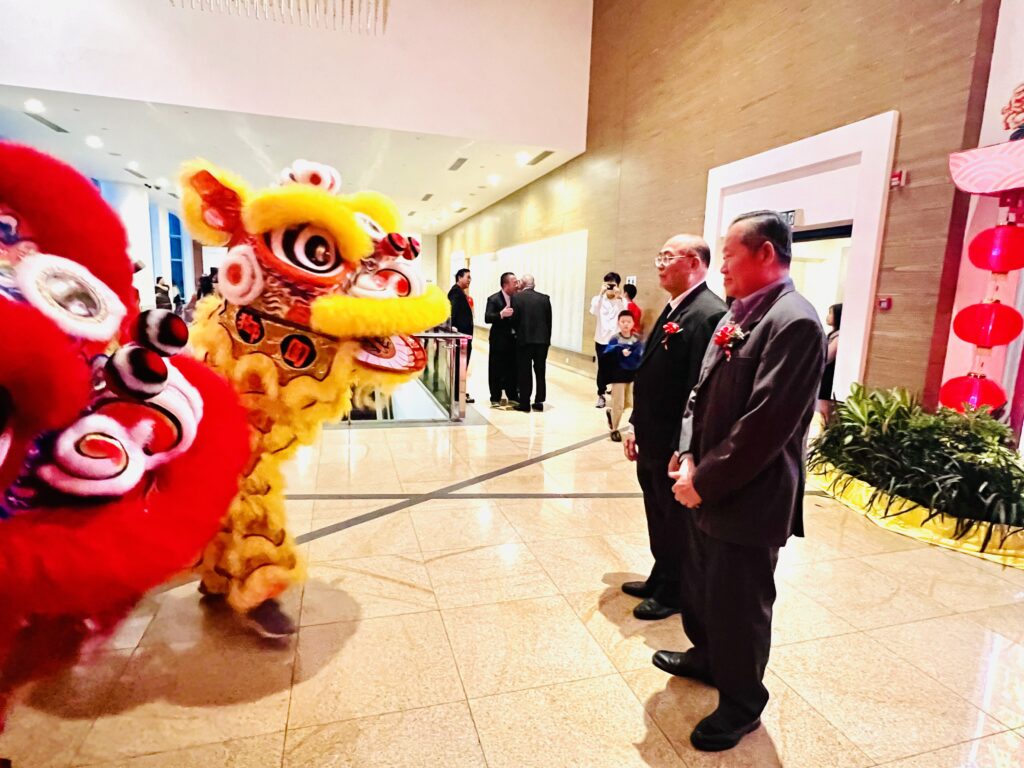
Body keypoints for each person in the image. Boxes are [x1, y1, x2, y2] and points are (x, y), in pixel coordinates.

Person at [659, 211, 825, 752]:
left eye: (729, 255)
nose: (722, 266)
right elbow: (700, 392)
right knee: (705, 587)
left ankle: (741, 703)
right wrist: (688, 454)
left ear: (766, 254)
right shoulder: (739, 312)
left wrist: (704, 481)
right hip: (709, 482)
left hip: (751, 495)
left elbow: (766, 424)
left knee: (740, 604)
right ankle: (708, 658)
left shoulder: (794, 321)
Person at [623, 235, 726, 621]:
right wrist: (635, 425)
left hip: (671, 444)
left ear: (695, 263)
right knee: (658, 514)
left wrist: (683, 449)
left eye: (668, 257)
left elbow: (698, 391)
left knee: (675, 520)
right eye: (659, 256)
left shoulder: (708, 313)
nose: (660, 264)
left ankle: (675, 590)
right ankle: (661, 574)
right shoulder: (676, 307)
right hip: (652, 436)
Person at [511, 274, 552, 412]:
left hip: (524, 341)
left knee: (524, 371)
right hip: (542, 341)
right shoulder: (545, 298)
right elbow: (549, 322)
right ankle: (539, 401)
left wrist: (516, 333)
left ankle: (524, 402)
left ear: (523, 284)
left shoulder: (517, 298)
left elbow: (514, 319)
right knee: (540, 371)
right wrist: (547, 340)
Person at [602, 310, 643, 442]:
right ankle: (614, 429)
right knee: (618, 405)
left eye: (628, 322)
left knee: (629, 403)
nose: (626, 324)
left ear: (633, 323)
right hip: (618, 376)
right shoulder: (615, 339)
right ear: (618, 323)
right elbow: (607, 355)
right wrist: (619, 351)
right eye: (623, 321)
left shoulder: (636, 339)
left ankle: (611, 414)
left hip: (632, 375)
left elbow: (641, 355)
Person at [589, 271, 628, 408]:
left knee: (616, 368)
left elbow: (626, 314)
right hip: (601, 340)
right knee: (602, 368)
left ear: (618, 286)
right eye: (608, 285)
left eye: (613, 285)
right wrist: (601, 293)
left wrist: (619, 298)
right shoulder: (598, 299)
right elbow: (593, 311)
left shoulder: (621, 301)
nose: (611, 288)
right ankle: (601, 394)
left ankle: (616, 395)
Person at [485, 271, 520, 407]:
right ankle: (495, 397)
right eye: (514, 282)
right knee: (496, 369)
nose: (517, 285)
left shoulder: (517, 298)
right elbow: (487, 317)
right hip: (498, 341)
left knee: (512, 368)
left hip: (513, 341)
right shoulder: (493, 299)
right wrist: (501, 314)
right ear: (505, 285)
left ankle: (512, 395)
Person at [447, 268, 475, 403]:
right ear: (459, 277)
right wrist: (453, 327)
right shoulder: (455, 292)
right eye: (467, 277)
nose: (470, 280)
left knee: (462, 366)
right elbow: (452, 311)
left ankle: (460, 392)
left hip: (464, 336)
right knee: (460, 365)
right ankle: (459, 393)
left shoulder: (460, 292)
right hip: (460, 337)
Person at [818, 303, 842, 422]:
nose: (828, 316)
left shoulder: (838, 336)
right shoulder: (833, 335)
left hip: (829, 376)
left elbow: (827, 357)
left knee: (824, 410)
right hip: (826, 374)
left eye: (831, 313)